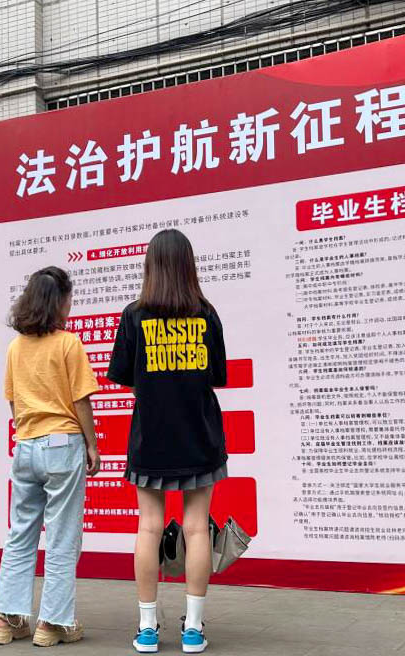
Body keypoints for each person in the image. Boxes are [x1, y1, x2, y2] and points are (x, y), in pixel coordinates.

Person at [107, 230, 228, 655]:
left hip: (151, 437)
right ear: (188, 266)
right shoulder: (206, 314)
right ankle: (192, 629)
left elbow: (124, 376)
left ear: (151, 266)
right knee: (197, 528)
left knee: (148, 527)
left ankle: (147, 629)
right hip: (200, 436)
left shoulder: (134, 315)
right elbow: (217, 376)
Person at [0, 266, 101, 648]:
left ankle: (6, 619)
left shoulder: (15, 347)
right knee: (62, 537)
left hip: (25, 445)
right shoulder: (69, 344)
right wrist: (92, 444)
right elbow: (80, 400)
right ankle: (51, 623)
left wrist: (27, 430)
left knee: (20, 534)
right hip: (62, 445)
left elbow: (13, 402)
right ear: (59, 302)